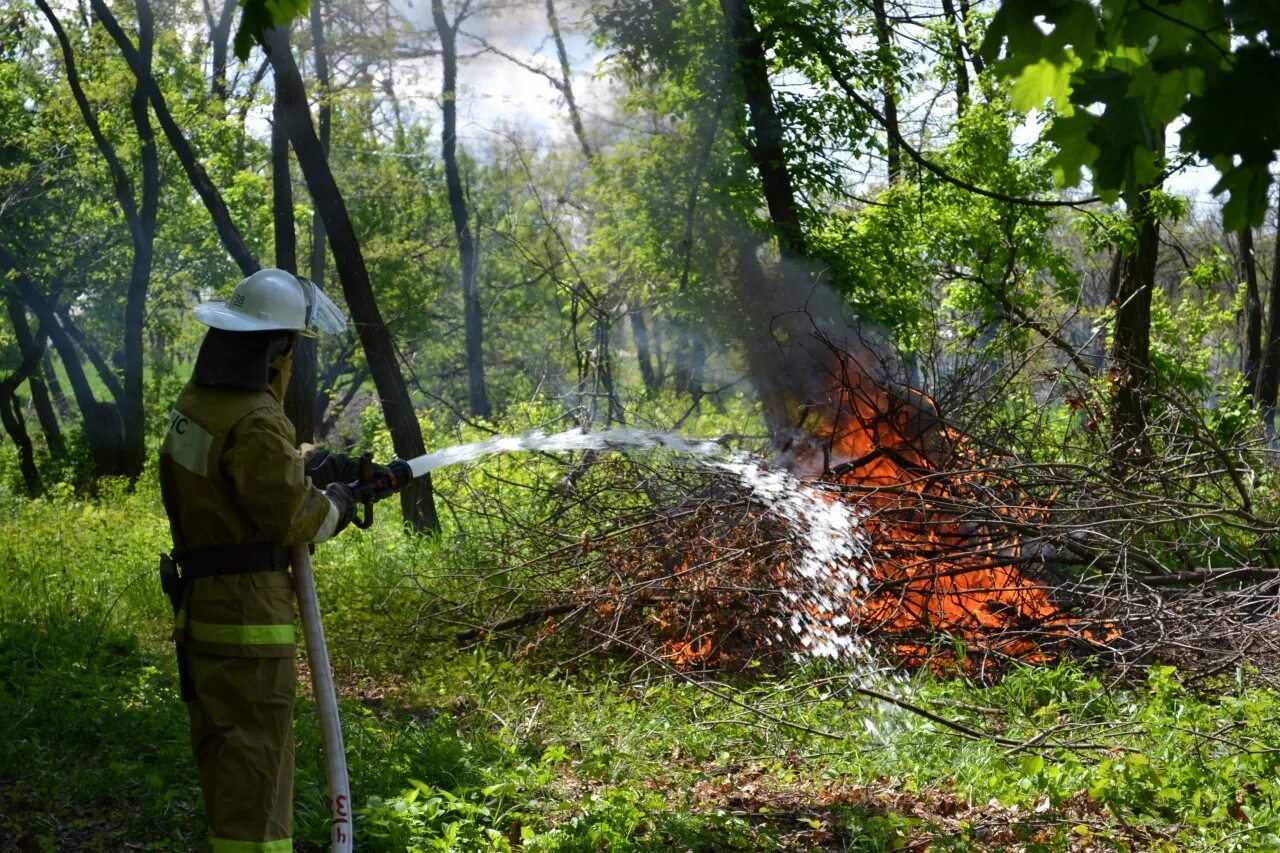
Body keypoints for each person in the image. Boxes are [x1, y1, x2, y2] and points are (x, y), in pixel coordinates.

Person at [158, 268, 380, 852]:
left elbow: (237, 481)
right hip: (246, 616)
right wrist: (342, 502)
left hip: (203, 606)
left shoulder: (199, 404)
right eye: (291, 349)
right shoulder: (256, 418)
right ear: (277, 346)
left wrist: (315, 462)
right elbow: (291, 517)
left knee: (227, 754)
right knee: (256, 760)